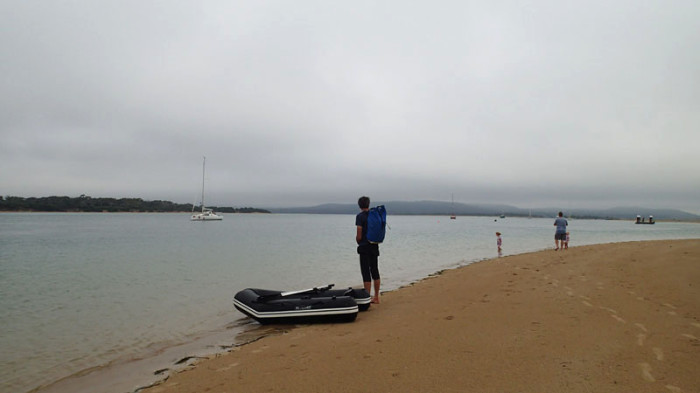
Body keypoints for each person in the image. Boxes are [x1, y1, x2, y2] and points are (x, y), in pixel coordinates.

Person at [356, 196, 381, 304]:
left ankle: (367, 299)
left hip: (364, 247)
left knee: (366, 272)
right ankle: (376, 297)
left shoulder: (360, 216)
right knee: (375, 270)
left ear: (359, 205)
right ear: (368, 204)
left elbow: (359, 236)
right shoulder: (374, 215)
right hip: (374, 245)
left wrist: (358, 240)